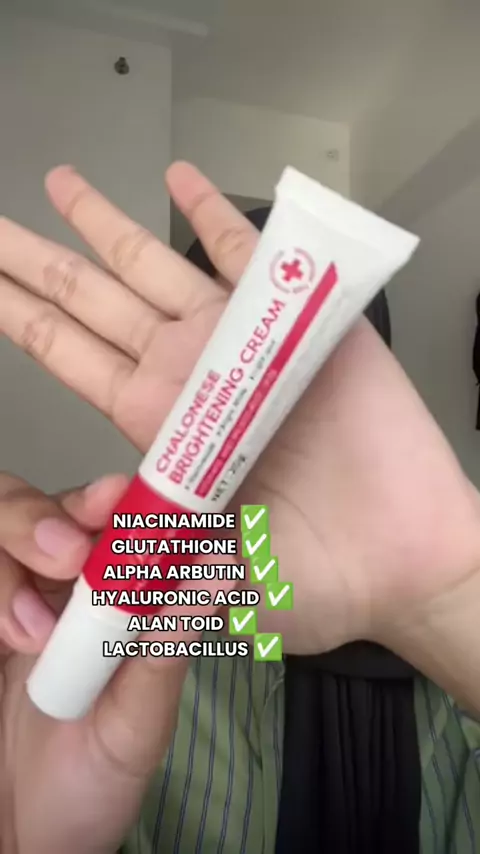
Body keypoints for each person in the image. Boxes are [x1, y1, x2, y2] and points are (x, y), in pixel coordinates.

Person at [0, 162, 480, 854]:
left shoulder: (454, 712)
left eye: (293, 356)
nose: (254, 387)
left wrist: (448, 593)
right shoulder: (137, 672)